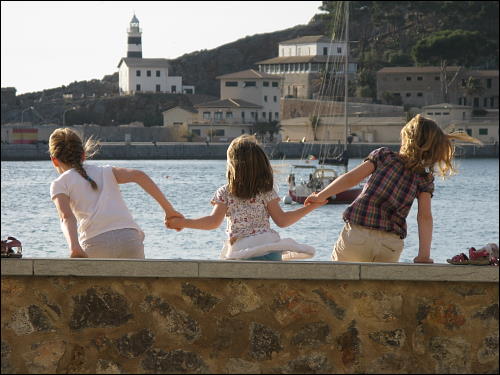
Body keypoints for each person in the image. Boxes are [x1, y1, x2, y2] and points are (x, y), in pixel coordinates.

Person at [305, 114, 482, 264]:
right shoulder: (424, 178)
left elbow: (351, 178)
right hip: (390, 245)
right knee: (379, 296)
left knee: (339, 287)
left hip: (359, 234)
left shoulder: (384, 156)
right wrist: (424, 255)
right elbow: (424, 217)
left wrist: (321, 195)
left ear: (407, 137)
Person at [167, 134, 325, 261]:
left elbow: (212, 222)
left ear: (232, 166)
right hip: (269, 247)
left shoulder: (225, 192)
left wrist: (182, 222)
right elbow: (282, 221)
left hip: (243, 251)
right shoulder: (266, 192)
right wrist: (311, 206)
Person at [49, 128, 182, 259]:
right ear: (83, 155)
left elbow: (66, 217)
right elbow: (139, 176)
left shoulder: (59, 183)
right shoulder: (106, 171)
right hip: (129, 238)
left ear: (54, 160)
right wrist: (169, 210)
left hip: (95, 242)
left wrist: (75, 247)